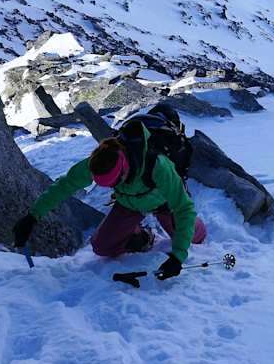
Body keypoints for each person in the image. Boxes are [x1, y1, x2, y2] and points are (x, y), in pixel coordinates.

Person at [12, 115, 207, 280]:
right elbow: (65, 186)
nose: (112, 186)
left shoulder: (158, 166)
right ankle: (143, 236)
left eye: (113, 182)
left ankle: (198, 229)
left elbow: (184, 208)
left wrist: (177, 257)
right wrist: (33, 216)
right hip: (129, 203)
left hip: (164, 202)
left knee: (191, 238)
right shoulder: (100, 159)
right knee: (102, 246)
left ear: (124, 169)